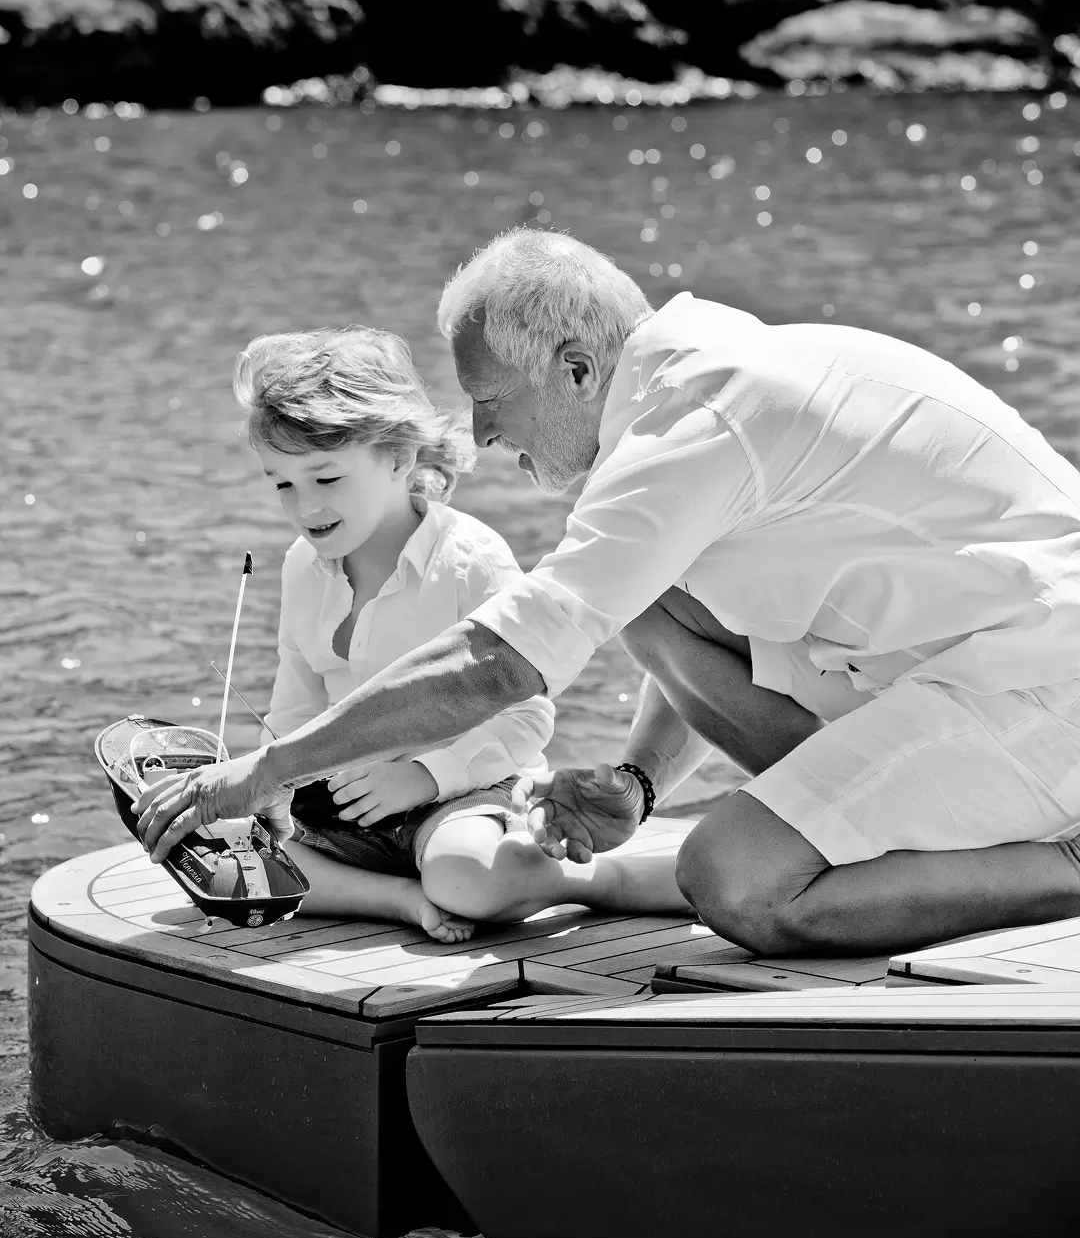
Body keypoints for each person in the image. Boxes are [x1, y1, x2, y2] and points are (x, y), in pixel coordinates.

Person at [139, 230, 1080, 958]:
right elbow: (654, 621)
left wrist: (256, 775)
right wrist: (637, 781)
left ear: (577, 371)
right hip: (963, 661)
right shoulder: (703, 374)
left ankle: (1067, 866)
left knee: (738, 879)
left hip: (1038, 686)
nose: (481, 434)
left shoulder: (697, 424)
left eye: (492, 399)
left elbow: (495, 664)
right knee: (649, 598)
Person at [214, 325, 686, 943]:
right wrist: (272, 786)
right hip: (344, 810)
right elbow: (295, 704)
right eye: (283, 483)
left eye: (327, 479)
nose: (305, 508)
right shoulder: (302, 566)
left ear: (399, 457)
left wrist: (423, 776)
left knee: (464, 873)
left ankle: (600, 881)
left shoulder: (469, 558)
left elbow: (525, 719)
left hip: (463, 794)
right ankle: (401, 901)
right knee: (228, 859)